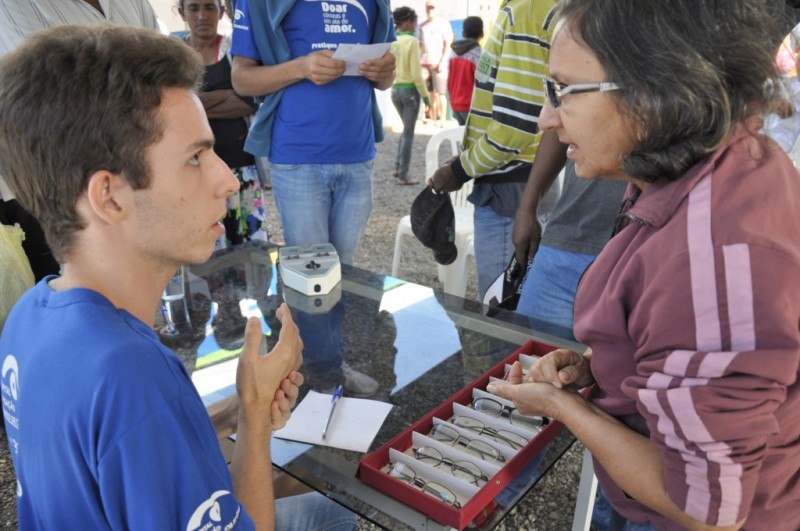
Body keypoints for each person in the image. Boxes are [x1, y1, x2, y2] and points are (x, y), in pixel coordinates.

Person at [0, 25, 355, 529]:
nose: (228, 179)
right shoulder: (133, 374)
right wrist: (255, 424)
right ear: (110, 197)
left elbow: (119, 461)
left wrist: (228, 414)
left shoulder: (29, 316)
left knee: (321, 510)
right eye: (195, 157)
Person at [488, 1, 800, 529]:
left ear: (655, 94)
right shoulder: (704, 164)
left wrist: (564, 408)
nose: (546, 116)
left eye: (562, 91)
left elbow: (706, 507)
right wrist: (605, 364)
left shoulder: (708, 255)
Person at [229, 0, 396, 396]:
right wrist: (302, 67)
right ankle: (319, 378)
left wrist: (386, 72)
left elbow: (386, 73)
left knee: (342, 276)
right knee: (311, 281)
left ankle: (324, 368)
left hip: (358, 156)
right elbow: (242, 79)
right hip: (299, 158)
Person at [0, 0, 161, 281]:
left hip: (134, 178)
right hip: (49, 193)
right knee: (73, 301)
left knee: (136, 291)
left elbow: (163, 81)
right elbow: (48, 100)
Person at [429, 0, 558, 300]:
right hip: (524, 182)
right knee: (516, 305)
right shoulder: (523, 9)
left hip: (510, 189)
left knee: (501, 312)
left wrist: (459, 170)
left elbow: (514, 127)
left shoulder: (526, 12)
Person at [178, 0, 268, 247]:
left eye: (209, 7)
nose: (202, 15)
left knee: (252, 249)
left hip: (241, 168)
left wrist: (194, 103)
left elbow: (249, 102)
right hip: (194, 173)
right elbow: (170, 108)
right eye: (193, 8)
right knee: (205, 251)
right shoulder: (174, 57)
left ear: (220, 12)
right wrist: (228, 95)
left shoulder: (234, 49)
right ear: (181, 13)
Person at [390, 6, 429, 186]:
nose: (415, 26)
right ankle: (404, 175)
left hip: (395, 89)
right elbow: (416, 73)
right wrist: (426, 96)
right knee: (408, 133)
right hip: (410, 91)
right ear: (408, 22)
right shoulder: (412, 42)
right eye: (414, 22)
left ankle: (398, 167)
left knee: (405, 131)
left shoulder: (391, 39)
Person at [419, 0, 453, 126]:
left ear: (437, 9)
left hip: (440, 63)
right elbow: (420, 45)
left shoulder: (443, 24)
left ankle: (442, 118)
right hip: (426, 63)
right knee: (430, 93)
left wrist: (443, 61)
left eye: (432, 7)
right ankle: (433, 118)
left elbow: (448, 44)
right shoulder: (422, 26)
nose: (430, 10)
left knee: (441, 92)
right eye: (428, 7)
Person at [447, 16, 484, 126]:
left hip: (455, 104)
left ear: (463, 33)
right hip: (471, 105)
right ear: (482, 34)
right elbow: (482, 81)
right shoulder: (479, 55)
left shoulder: (453, 53)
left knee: (462, 137)